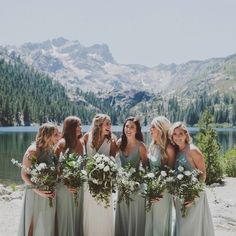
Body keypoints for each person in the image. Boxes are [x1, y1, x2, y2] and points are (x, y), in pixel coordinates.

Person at [169, 122, 215, 236]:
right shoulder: (178, 151)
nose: (177, 136)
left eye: (180, 133)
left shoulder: (193, 150)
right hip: (181, 196)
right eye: (174, 134)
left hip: (194, 196)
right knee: (182, 226)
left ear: (186, 135)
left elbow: (203, 174)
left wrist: (194, 195)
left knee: (192, 227)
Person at [18, 123, 60, 236]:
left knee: (46, 222)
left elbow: (56, 169)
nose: (59, 137)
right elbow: (24, 175)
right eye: (56, 134)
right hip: (35, 193)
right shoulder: (33, 150)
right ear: (47, 135)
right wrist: (39, 191)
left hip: (48, 192)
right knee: (33, 221)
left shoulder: (51, 149)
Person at [83, 113, 118, 236]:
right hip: (89, 181)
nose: (110, 126)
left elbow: (113, 160)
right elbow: (83, 158)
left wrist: (108, 173)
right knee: (90, 209)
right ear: (99, 125)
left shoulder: (112, 139)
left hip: (105, 182)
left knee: (104, 208)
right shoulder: (87, 136)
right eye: (107, 124)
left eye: (110, 123)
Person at [115, 117, 148, 236]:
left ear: (137, 130)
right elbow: (110, 158)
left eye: (132, 127)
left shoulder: (141, 146)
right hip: (122, 185)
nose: (128, 129)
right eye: (126, 126)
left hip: (136, 186)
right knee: (123, 214)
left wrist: (138, 182)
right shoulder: (119, 143)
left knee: (134, 216)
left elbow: (146, 167)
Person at [145, 116, 175, 236]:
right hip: (151, 189)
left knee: (159, 223)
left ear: (161, 129)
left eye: (153, 127)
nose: (150, 129)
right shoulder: (152, 145)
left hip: (163, 192)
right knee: (150, 222)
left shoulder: (169, 148)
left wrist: (159, 192)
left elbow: (171, 173)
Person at [54, 116, 85, 236]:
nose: (80, 128)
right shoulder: (62, 143)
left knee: (76, 214)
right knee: (65, 215)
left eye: (80, 125)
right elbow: (55, 166)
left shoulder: (81, 142)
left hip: (78, 185)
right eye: (78, 125)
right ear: (71, 127)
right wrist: (67, 182)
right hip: (64, 186)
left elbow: (83, 164)